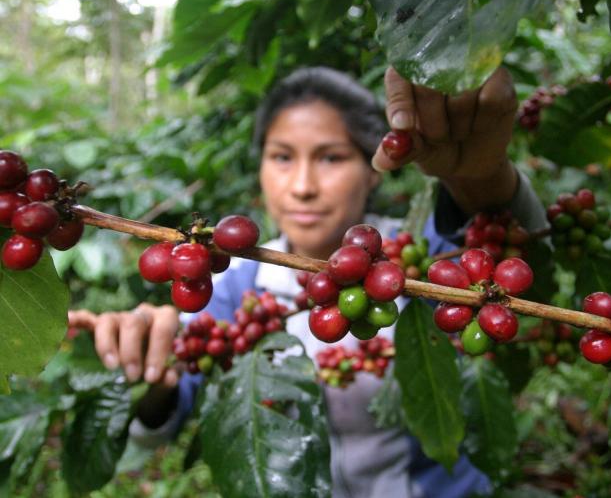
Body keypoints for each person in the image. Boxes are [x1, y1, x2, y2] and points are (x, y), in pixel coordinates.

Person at [68, 65, 547, 497]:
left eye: (331, 158)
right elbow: (157, 427)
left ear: (374, 170)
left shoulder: (414, 263)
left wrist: (482, 178)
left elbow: (511, 261)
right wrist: (153, 369)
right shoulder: (234, 285)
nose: (301, 186)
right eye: (281, 157)